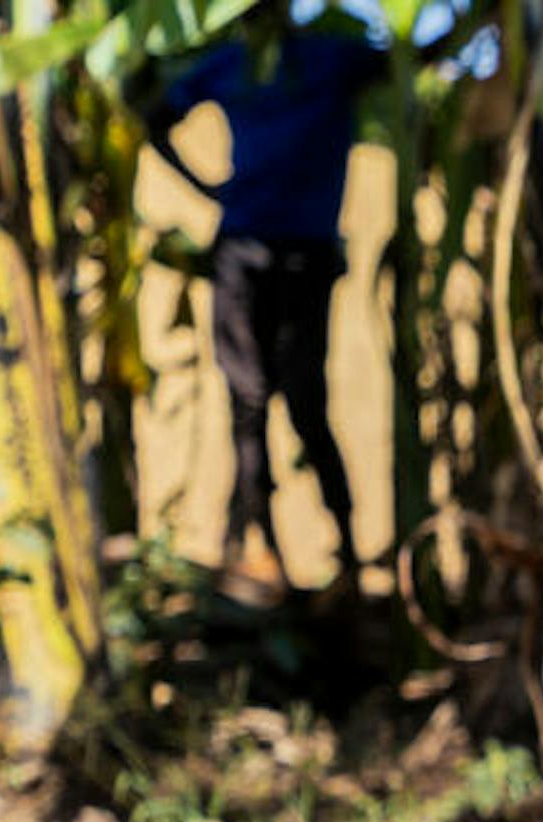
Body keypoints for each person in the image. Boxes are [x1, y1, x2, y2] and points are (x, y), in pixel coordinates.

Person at [146, 8, 394, 601]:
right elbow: (157, 117)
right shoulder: (234, 62)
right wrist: (213, 189)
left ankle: (350, 557)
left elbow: (408, 59)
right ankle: (262, 551)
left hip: (302, 254)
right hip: (245, 252)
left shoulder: (331, 58)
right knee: (249, 403)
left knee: (306, 402)